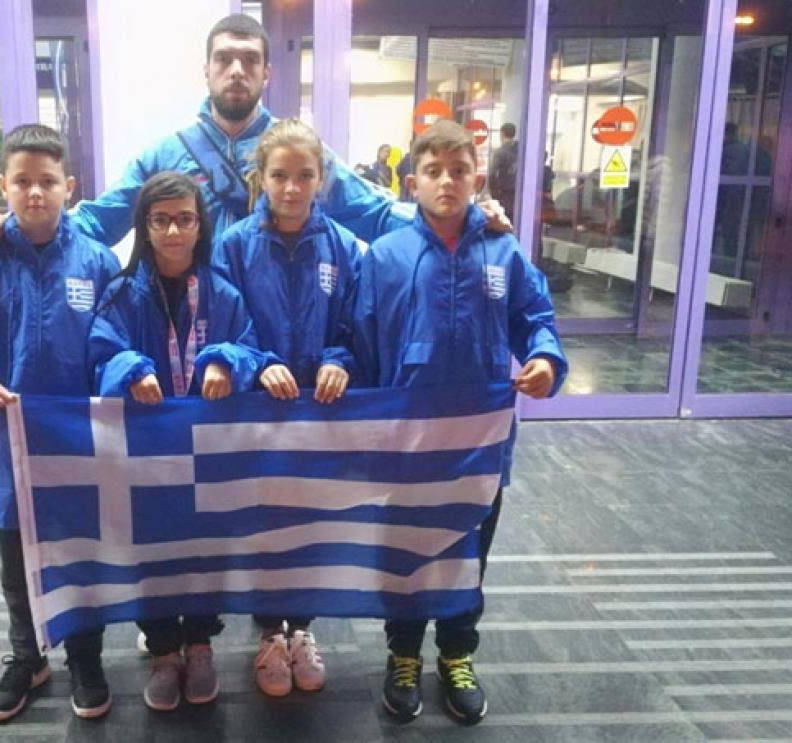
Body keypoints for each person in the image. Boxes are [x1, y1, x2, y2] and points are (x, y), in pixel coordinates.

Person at [353, 119, 568, 726]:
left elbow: (536, 317)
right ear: (412, 182)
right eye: (433, 171)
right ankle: (402, 652)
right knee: (406, 549)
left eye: (459, 170)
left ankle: (456, 653)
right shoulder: (386, 257)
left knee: (469, 551)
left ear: (477, 178)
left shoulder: (503, 251)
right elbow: (359, 339)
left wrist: (545, 358)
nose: (447, 181)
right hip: (408, 440)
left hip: (480, 442)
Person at [0, 14, 512, 251]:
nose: (236, 70)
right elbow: (97, 221)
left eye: (249, 60)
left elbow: (375, 212)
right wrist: (12, 226)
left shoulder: (300, 155)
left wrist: (460, 215)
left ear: (267, 73)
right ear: (205, 70)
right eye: (224, 59)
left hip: (276, 317)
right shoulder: (165, 154)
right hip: (192, 318)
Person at [0, 124, 121, 722]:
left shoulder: (96, 263)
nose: (36, 192)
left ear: (70, 187)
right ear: (3, 186)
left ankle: (84, 657)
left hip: (77, 441)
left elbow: (115, 340)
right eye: (23, 181)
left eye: (48, 181)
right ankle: (27, 656)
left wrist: (119, 383)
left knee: (79, 554)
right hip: (5, 440)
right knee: (16, 560)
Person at [87, 171, 270, 712]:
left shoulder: (223, 292)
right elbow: (100, 350)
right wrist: (129, 367)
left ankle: (201, 644)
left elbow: (250, 348)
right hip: (145, 453)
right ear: (144, 225)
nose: (173, 231)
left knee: (207, 547)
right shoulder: (122, 293)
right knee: (153, 548)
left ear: (200, 225)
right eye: (161, 220)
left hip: (210, 451)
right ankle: (164, 650)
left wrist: (225, 361)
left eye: (184, 219)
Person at [212, 118, 359, 697]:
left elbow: (352, 323)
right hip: (257, 410)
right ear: (260, 178)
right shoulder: (233, 245)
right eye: (279, 175)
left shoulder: (342, 246)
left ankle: (303, 629)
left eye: (304, 175)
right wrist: (257, 362)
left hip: (319, 411)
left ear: (322, 179)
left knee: (311, 519)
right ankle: (270, 632)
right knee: (265, 522)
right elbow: (222, 323)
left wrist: (339, 359)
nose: (292, 188)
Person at [488, 122, 518, 213]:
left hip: (505, 194)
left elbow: (492, 174)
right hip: (520, 192)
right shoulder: (521, 150)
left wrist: (495, 196)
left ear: (502, 134)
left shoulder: (500, 152)